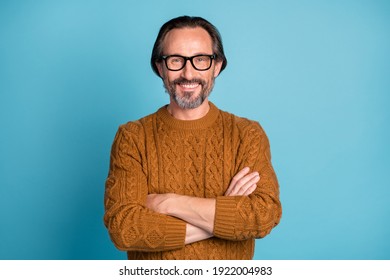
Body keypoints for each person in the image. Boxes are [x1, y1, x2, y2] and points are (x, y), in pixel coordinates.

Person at [104, 16, 282, 260]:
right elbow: (124, 229)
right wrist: (223, 214)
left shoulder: (247, 134)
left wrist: (169, 203)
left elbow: (263, 215)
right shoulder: (133, 137)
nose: (188, 73)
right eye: (176, 60)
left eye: (200, 60)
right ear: (160, 67)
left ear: (216, 66)